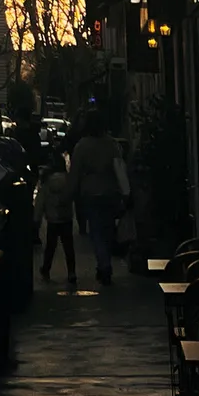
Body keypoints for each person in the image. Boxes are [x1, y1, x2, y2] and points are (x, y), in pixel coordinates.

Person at [66, 108, 128, 286]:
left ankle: (104, 264)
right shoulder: (111, 144)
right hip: (110, 191)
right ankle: (105, 262)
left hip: (90, 192)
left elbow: (75, 171)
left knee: (96, 231)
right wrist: (125, 192)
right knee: (107, 229)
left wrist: (70, 192)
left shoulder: (82, 146)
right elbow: (119, 168)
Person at [34, 149, 77, 288]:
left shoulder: (46, 182)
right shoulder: (68, 180)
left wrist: (37, 219)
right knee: (68, 246)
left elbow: (40, 202)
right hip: (66, 217)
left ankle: (46, 269)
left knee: (50, 246)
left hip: (52, 218)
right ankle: (71, 272)